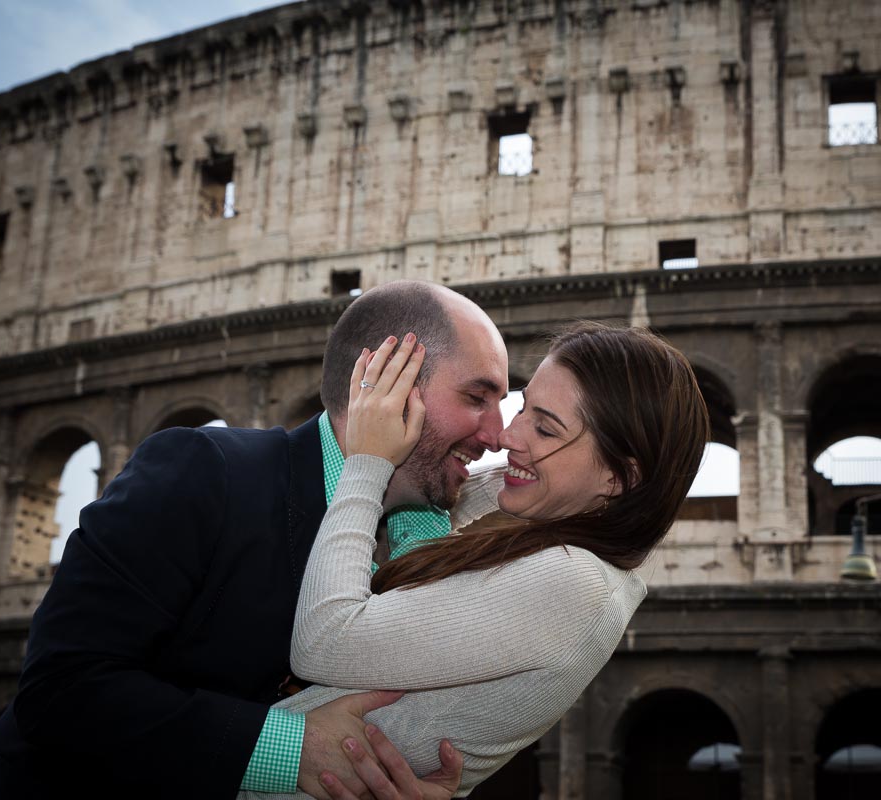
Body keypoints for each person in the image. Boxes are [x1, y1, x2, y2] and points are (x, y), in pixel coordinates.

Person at [0, 281, 509, 800]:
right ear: (387, 381)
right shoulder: (204, 470)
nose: (497, 435)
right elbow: (61, 689)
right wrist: (292, 749)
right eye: (477, 397)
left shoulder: (424, 528)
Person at [254, 321, 710, 799]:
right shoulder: (537, 508)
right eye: (524, 406)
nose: (506, 435)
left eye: (546, 427)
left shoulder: (575, 583)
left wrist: (368, 462)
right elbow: (426, 550)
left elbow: (324, 642)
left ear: (618, 478)